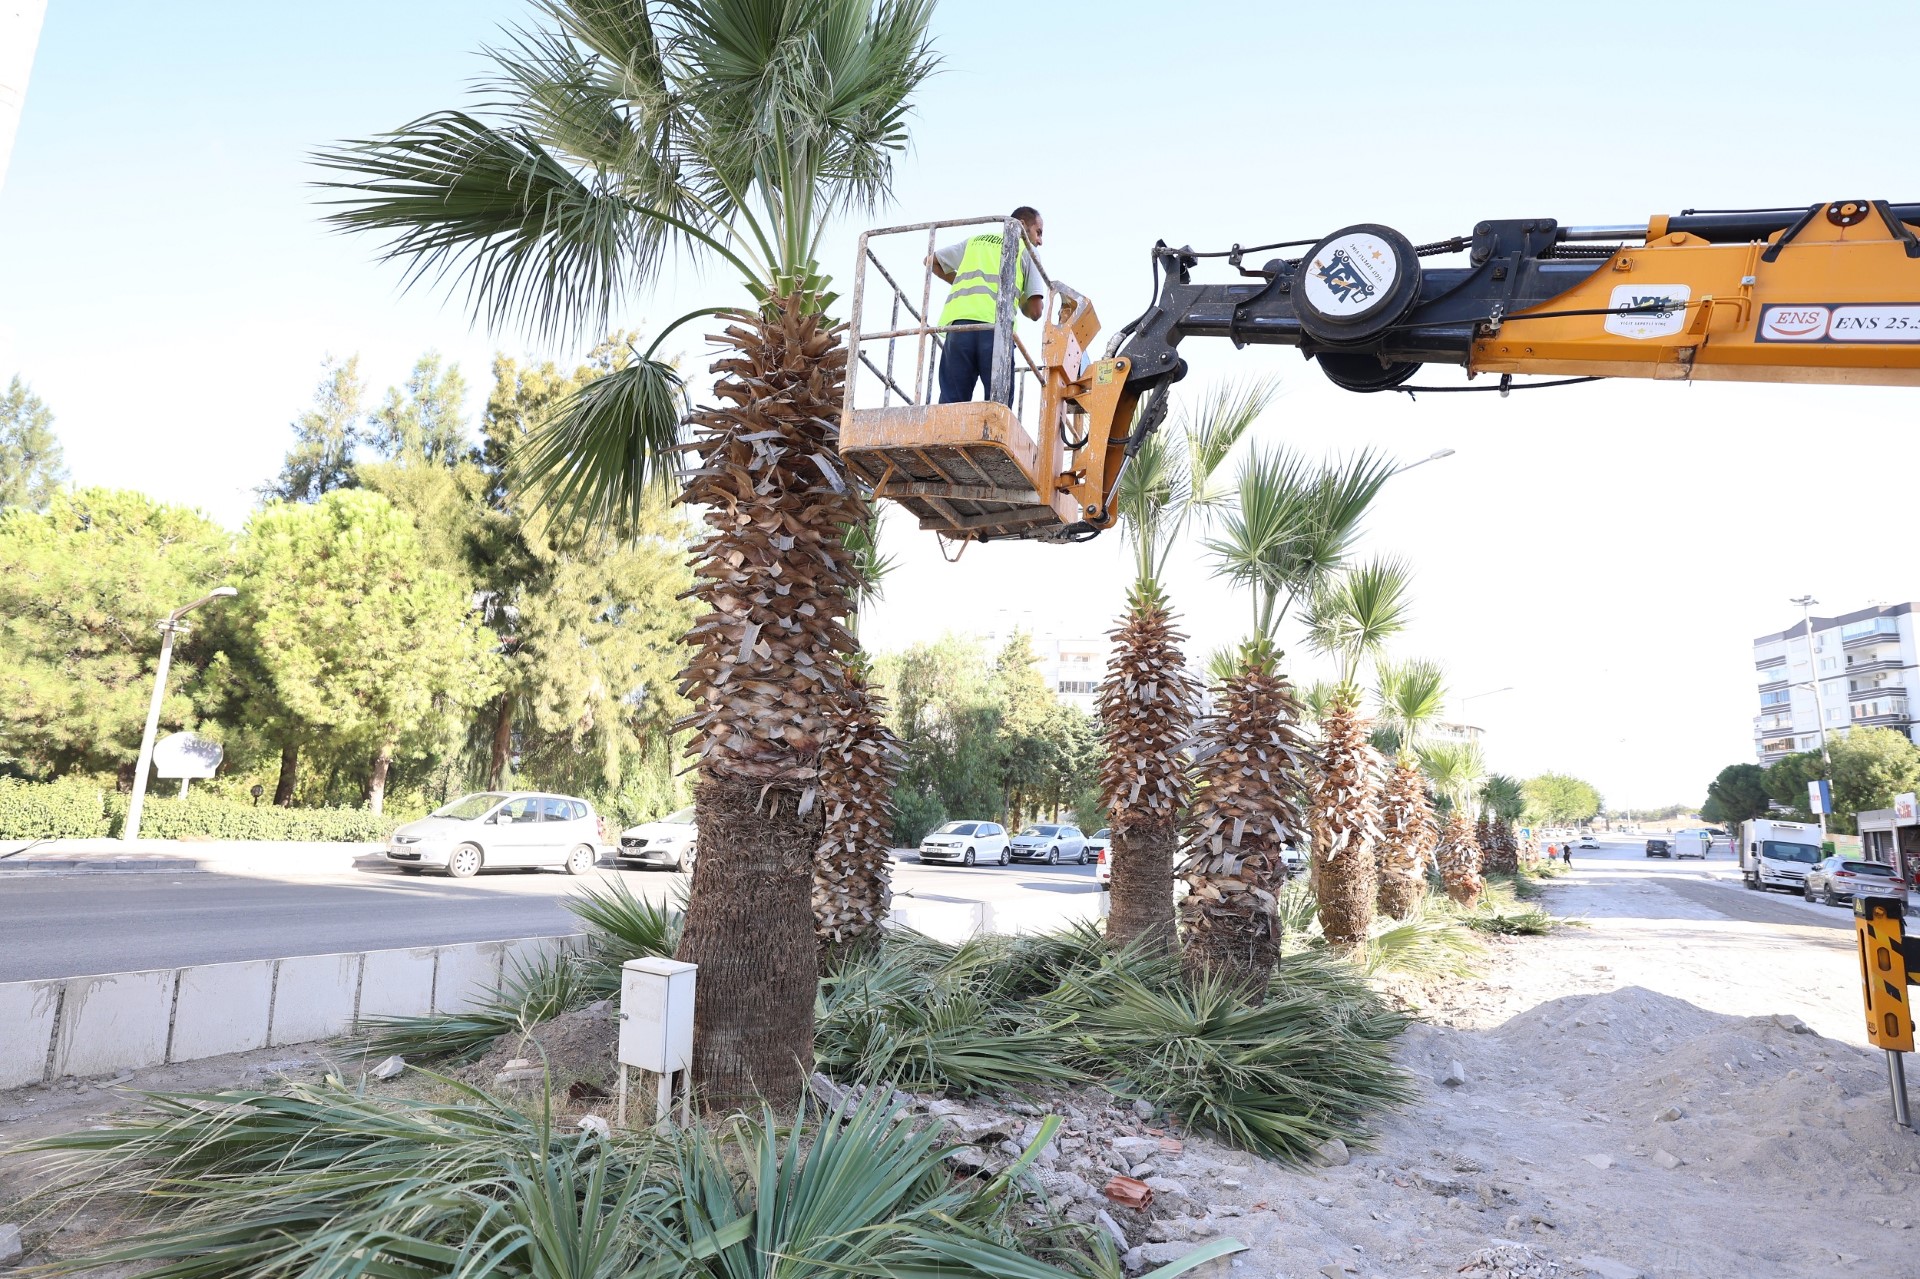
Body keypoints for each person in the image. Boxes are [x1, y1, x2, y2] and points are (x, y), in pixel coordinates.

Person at [926, 207, 1047, 406]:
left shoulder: (976, 241)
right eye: (1038, 232)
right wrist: (1017, 298)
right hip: (995, 332)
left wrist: (960, 282)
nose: (1040, 241)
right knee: (997, 410)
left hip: (958, 329)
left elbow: (931, 261)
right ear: (1022, 225)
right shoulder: (1026, 249)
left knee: (950, 407)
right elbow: (1035, 311)